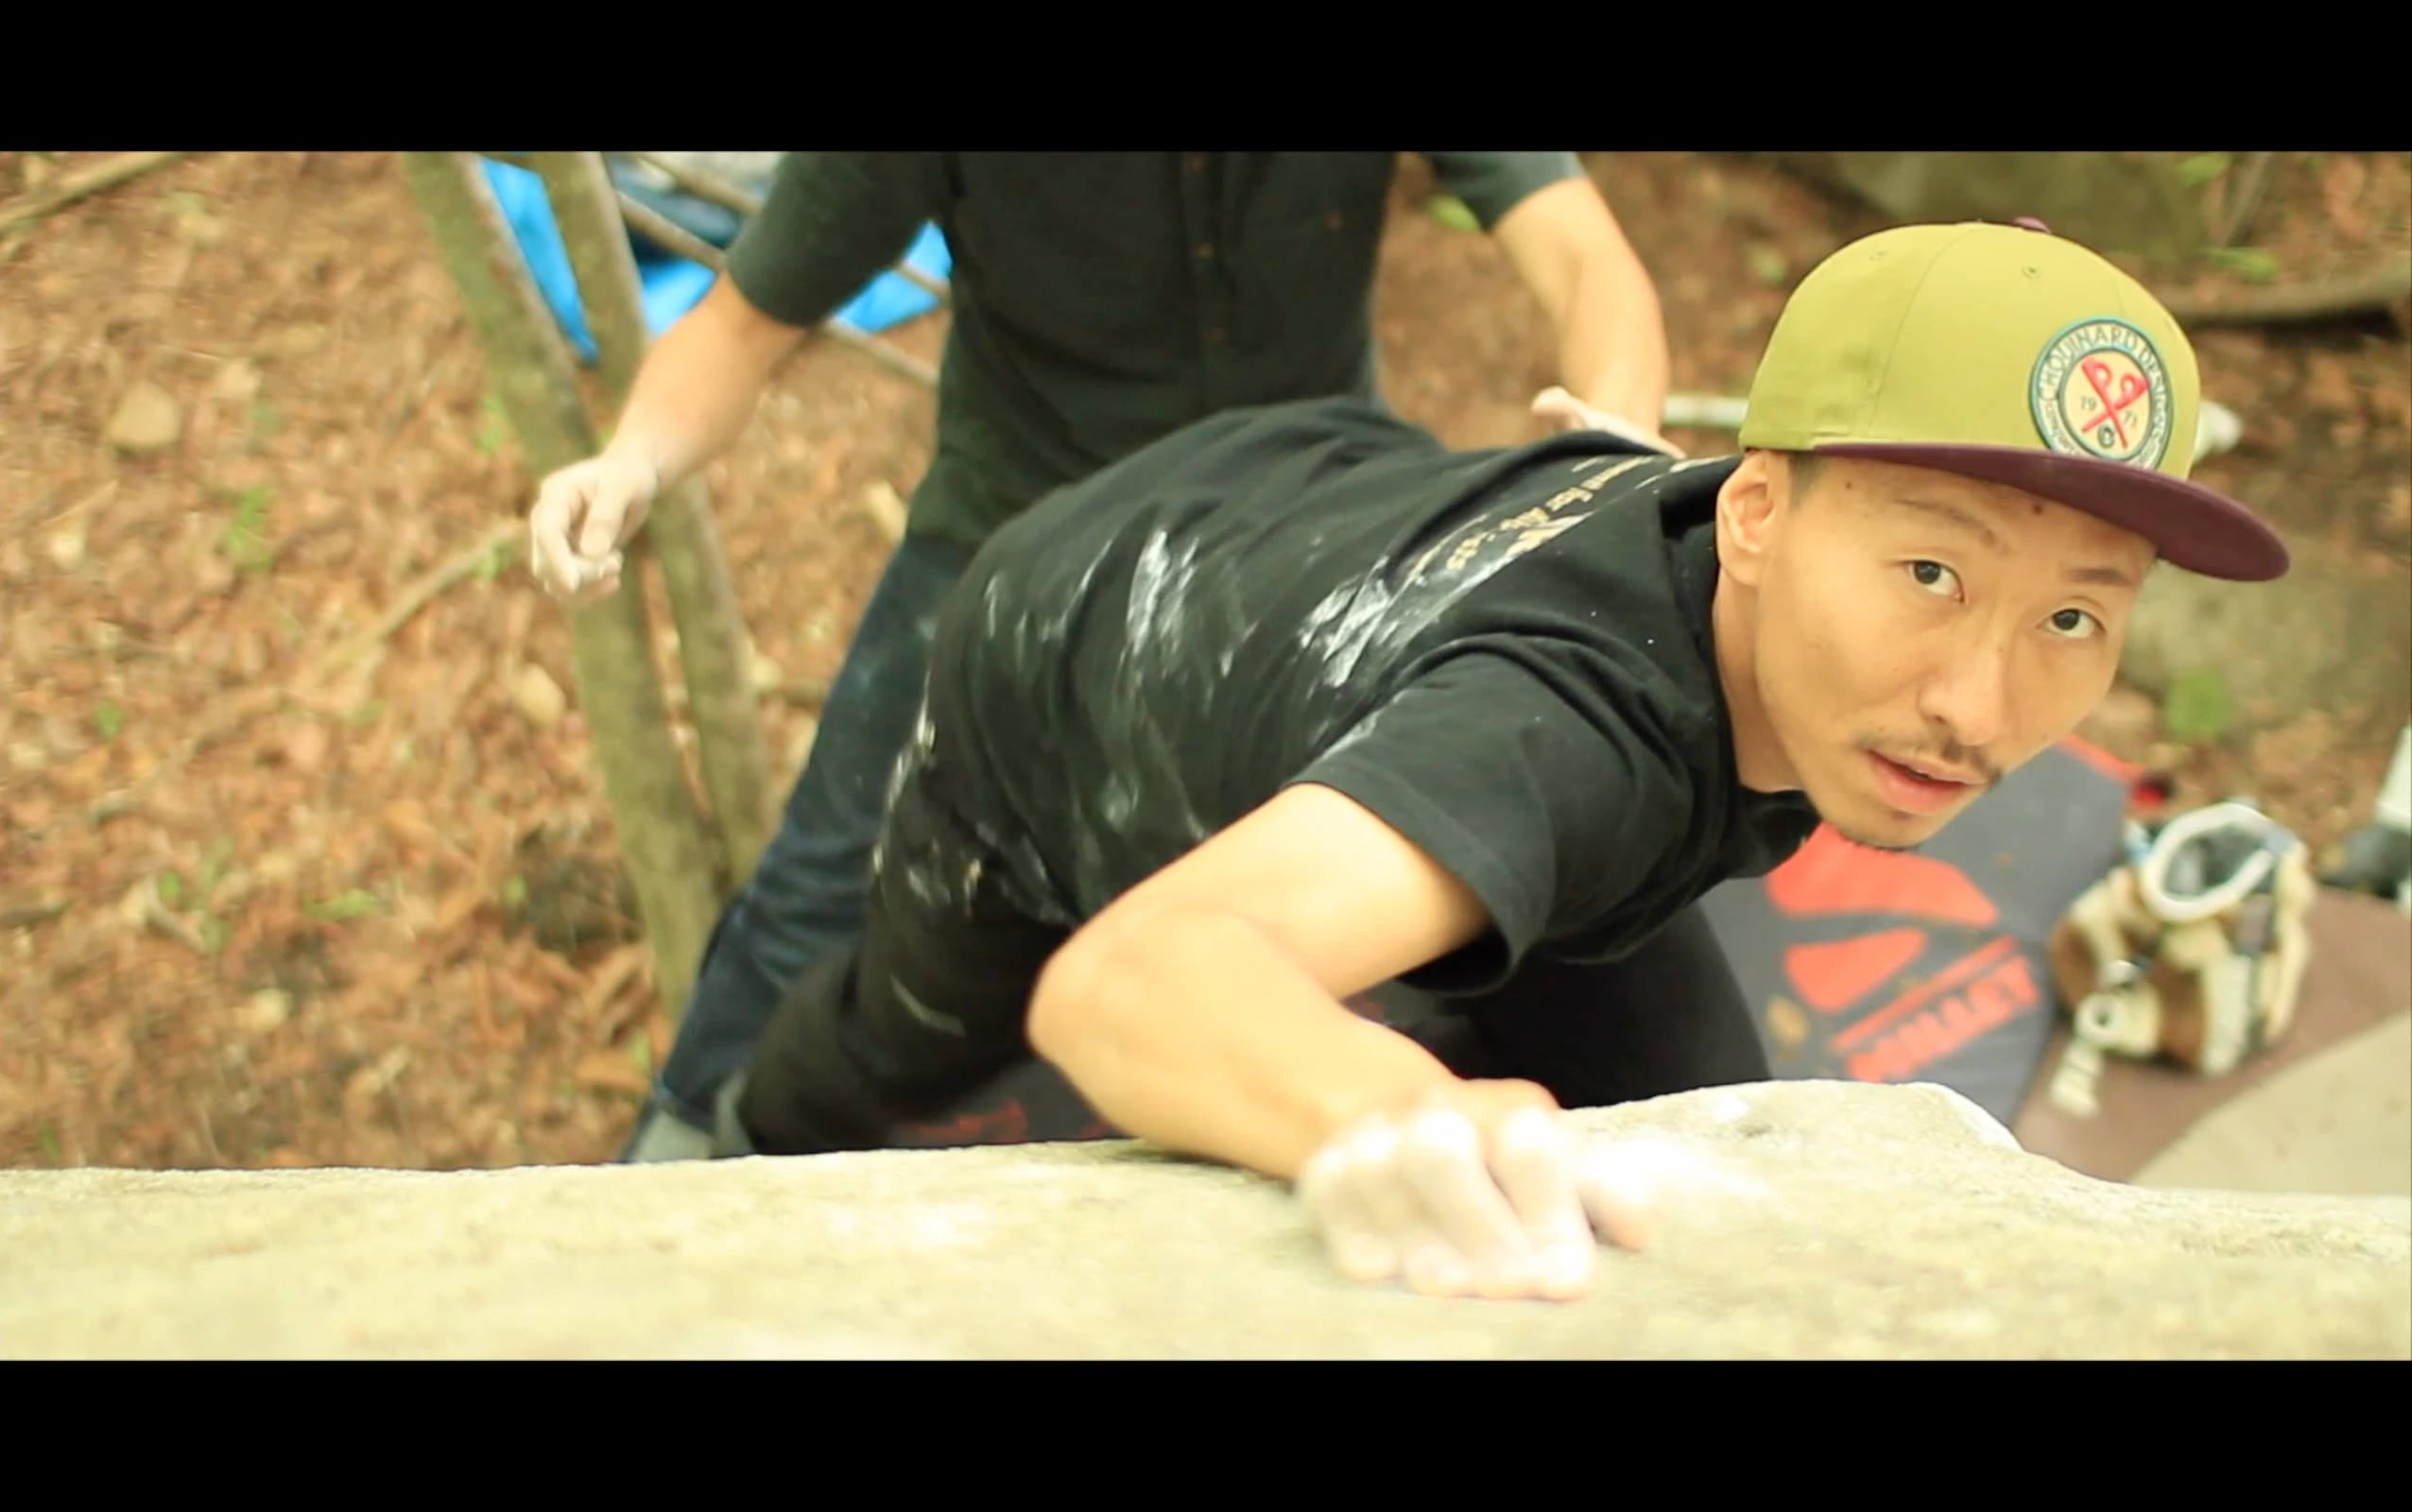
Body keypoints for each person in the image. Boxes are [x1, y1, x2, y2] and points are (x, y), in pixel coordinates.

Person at [714, 218, 2291, 1301]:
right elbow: (1129, 984)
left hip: (1332, 502)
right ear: (1748, 516)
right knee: (911, 1030)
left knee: (1706, 1162)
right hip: (1067, 641)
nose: (1979, 705)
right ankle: (723, 1142)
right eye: (1932, 574)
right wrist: (1380, 1099)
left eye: (2073, 617)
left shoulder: (1736, 565)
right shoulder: (1568, 736)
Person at [521, 153, 1680, 1161]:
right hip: (1011, 548)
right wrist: (629, 462)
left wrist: (1614, 440)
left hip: (1311, 531)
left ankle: (1549, 1119)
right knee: (824, 882)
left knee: (1482, 805)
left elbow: (1584, 254)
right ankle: (677, 1159)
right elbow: (739, 325)